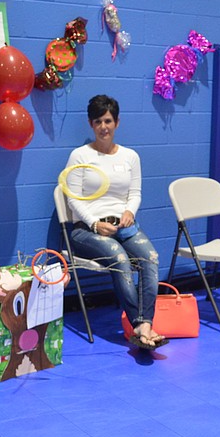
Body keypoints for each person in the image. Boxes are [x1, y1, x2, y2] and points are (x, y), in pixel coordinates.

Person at [63, 94, 166, 350]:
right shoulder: (79, 156)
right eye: (97, 121)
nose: (103, 127)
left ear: (117, 122)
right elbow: (72, 198)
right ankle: (138, 325)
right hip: (86, 231)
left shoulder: (131, 156)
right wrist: (95, 224)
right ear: (91, 124)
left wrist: (130, 211)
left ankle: (144, 326)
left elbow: (135, 193)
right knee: (120, 260)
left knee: (150, 258)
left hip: (124, 227)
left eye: (108, 121)